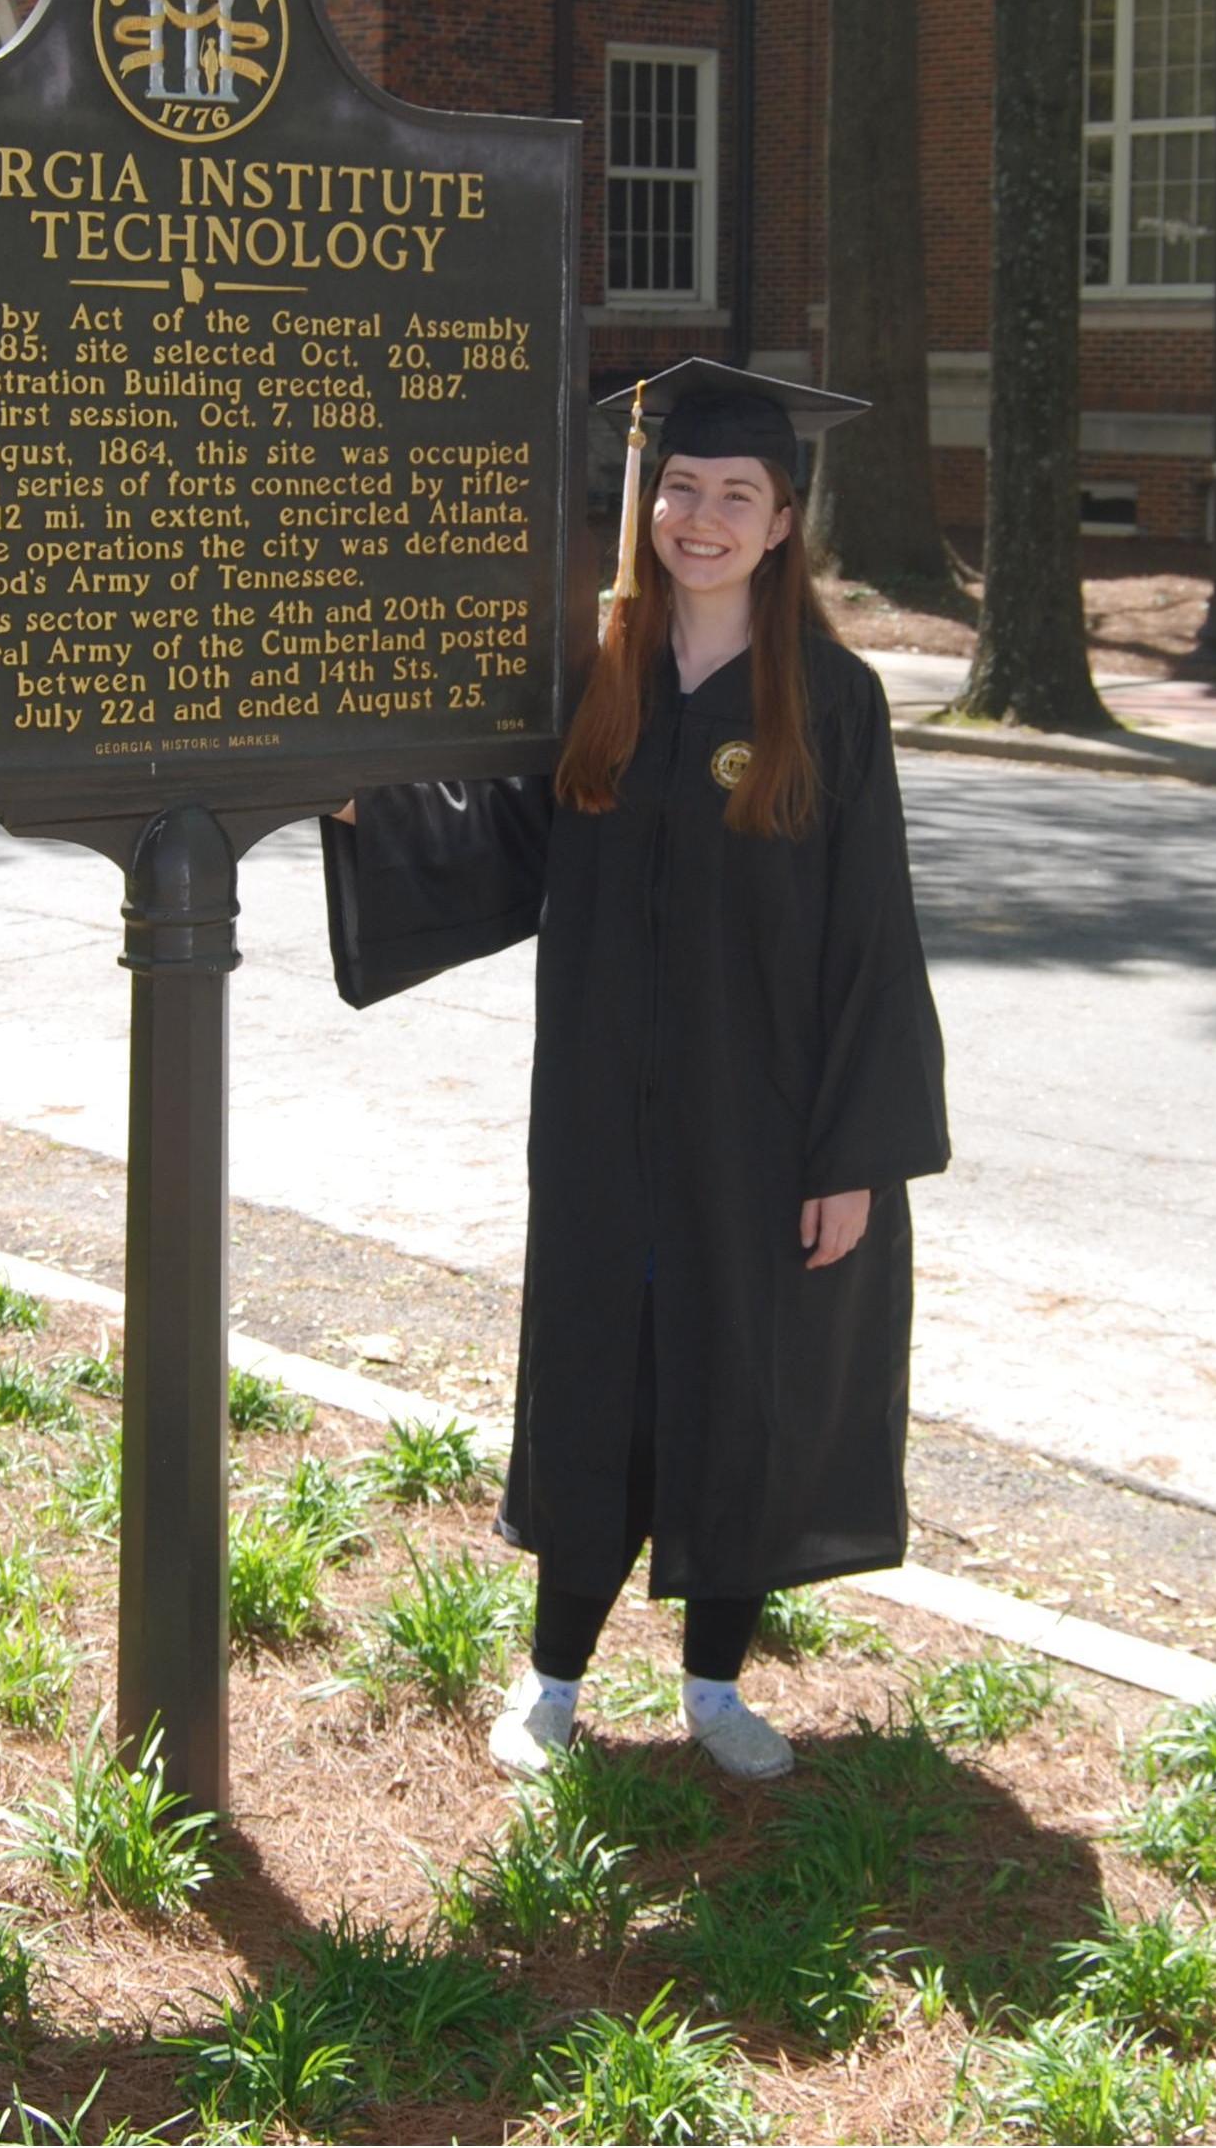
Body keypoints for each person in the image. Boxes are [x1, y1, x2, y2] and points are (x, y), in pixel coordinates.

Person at [320, 359, 948, 1784]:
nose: (700, 515)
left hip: (762, 1124)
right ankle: (550, 1681)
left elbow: (873, 937)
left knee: (742, 1379)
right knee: (596, 1372)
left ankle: (714, 1684)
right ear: (644, 500)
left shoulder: (831, 702)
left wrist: (852, 1153)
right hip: (603, 1114)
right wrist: (359, 801)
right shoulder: (593, 676)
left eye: (736, 493)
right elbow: (508, 852)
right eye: (678, 487)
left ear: (785, 521)